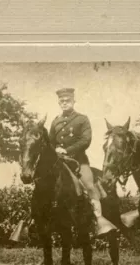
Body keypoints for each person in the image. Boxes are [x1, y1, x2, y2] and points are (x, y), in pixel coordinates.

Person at [49, 88, 116, 236]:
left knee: (90, 186)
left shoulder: (81, 119)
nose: (65, 103)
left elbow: (86, 140)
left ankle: (99, 220)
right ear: (58, 102)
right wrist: (55, 151)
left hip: (78, 161)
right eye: (62, 101)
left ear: (73, 101)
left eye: (68, 100)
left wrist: (67, 150)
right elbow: (50, 142)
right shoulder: (55, 122)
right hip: (59, 162)